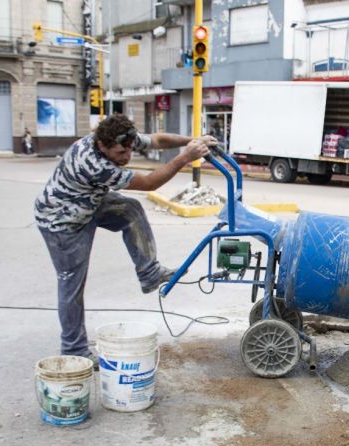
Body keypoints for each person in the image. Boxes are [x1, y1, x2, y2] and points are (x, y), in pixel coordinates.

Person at [34, 114, 214, 364]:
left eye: (129, 150)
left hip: (88, 203)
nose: (126, 157)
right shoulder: (94, 164)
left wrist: (191, 140)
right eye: (120, 153)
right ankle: (74, 349)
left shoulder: (119, 138)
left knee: (130, 210)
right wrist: (186, 156)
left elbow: (157, 140)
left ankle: (149, 272)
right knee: (71, 283)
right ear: (102, 146)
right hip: (61, 221)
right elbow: (149, 182)